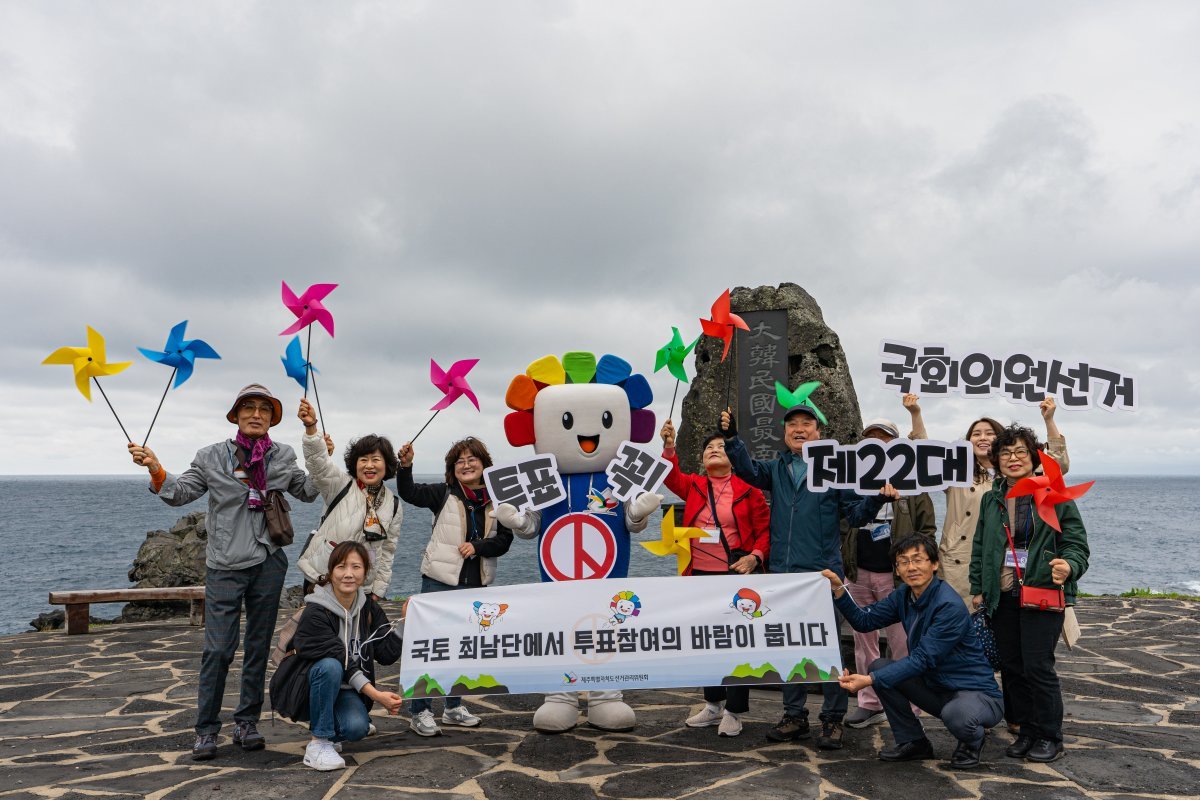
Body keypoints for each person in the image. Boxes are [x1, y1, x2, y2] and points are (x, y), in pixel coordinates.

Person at [127, 384, 318, 761]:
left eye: (265, 409)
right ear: (234, 415)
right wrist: (155, 467)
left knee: (259, 649)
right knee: (217, 650)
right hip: (225, 565)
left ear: (273, 419)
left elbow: (310, 491)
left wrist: (315, 443)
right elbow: (180, 492)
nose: (256, 414)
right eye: (248, 407)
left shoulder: (283, 455)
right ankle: (206, 729)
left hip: (268, 561)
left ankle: (247, 722)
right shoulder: (212, 456)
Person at [720, 403, 898, 750]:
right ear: (785, 434)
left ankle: (832, 720)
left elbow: (857, 515)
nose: (798, 429)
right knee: (790, 649)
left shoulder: (834, 470)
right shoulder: (775, 467)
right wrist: (732, 438)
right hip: (784, 578)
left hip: (823, 578)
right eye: (792, 425)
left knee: (827, 650)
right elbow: (747, 471)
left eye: (807, 424)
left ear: (819, 432)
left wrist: (878, 498)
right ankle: (794, 716)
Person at [820, 534, 1004, 769]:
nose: (911, 567)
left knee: (958, 715)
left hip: (975, 694)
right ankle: (914, 741)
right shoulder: (903, 595)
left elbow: (922, 659)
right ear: (896, 570)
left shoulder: (948, 605)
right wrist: (838, 589)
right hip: (936, 688)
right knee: (880, 667)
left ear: (934, 564)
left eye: (918, 560)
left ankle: (972, 742)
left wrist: (867, 680)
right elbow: (864, 621)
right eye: (904, 562)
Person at [970, 424, 1090, 763]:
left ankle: (1050, 735)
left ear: (1034, 456)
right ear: (995, 460)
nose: (1013, 458)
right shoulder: (993, 498)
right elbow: (981, 546)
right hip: (1004, 593)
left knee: (1038, 666)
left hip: (1042, 592)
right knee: (1012, 667)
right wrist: (979, 588)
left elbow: (1076, 543)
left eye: (1021, 451)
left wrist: (1068, 566)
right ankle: (1026, 730)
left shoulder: (1053, 493)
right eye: (1005, 453)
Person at [396, 436, 514, 736]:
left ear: (484, 464)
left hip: (476, 585)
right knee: (429, 648)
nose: (465, 464)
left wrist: (477, 547)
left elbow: (504, 541)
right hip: (439, 581)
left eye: (471, 459)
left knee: (463, 649)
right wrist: (406, 466)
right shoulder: (442, 493)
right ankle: (420, 711)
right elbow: (409, 492)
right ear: (452, 468)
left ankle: (452, 707)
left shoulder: (499, 500)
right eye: (459, 461)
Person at [660, 420, 770, 737]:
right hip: (699, 576)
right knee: (705, 642)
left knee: (738, 645)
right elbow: (670, 476)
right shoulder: (694, 484)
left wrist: (754, 557)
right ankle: (712, 704)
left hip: (734, 575)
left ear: (733, 457)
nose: (713, 450)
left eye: (720, 446)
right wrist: (669, 445)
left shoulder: (749, 491)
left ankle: (734, 711)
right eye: (708, 447)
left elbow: (764, 533)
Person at [905, 394, 1070, 604]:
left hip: (1000, 562)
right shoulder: (956, 472)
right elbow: (925, 454)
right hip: (960, 560)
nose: (982, 438)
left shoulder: (1016, 472)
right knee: (958, 624)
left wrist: (1049, 420)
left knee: (998, 626)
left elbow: (1058, 466)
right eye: (976, 434)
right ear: (968, 441)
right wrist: (915, 414)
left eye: (990, 433)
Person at [840, 418, 937, 730]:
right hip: (858, 573)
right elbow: (844, 523)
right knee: (863, 641)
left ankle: (911, 704)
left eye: (885, 440)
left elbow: (927, 529)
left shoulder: (914, 484)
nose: (878, 446)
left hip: (897, 580)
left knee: (903, 643)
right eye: (871, 440)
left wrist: (919, 570)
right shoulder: (851, 481)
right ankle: (869, 703)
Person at [279, 541, 405, 771]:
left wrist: (407, 623)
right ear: (331, 572)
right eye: (341, 567)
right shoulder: (316, 611)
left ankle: (332, 729)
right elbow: (342, 661)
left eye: (356, 567)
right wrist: (377, 695)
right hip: (307, 688)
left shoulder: (369, 609)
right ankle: (318, 744)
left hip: (346, 690)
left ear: (365, 573)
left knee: (356, 729)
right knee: (330, 666)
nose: (348, 574)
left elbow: (386, 654)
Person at [296, 398, 403, 600]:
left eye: (376, 460)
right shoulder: (340, 484)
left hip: (362, 586)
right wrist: (311, 428)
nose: (369, 465)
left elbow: (388, 549)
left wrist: (378, 590)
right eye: (363, 460)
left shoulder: (393, 504)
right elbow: (319, 465)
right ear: (354, 464)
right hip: (323, 578)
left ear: (387, 465)